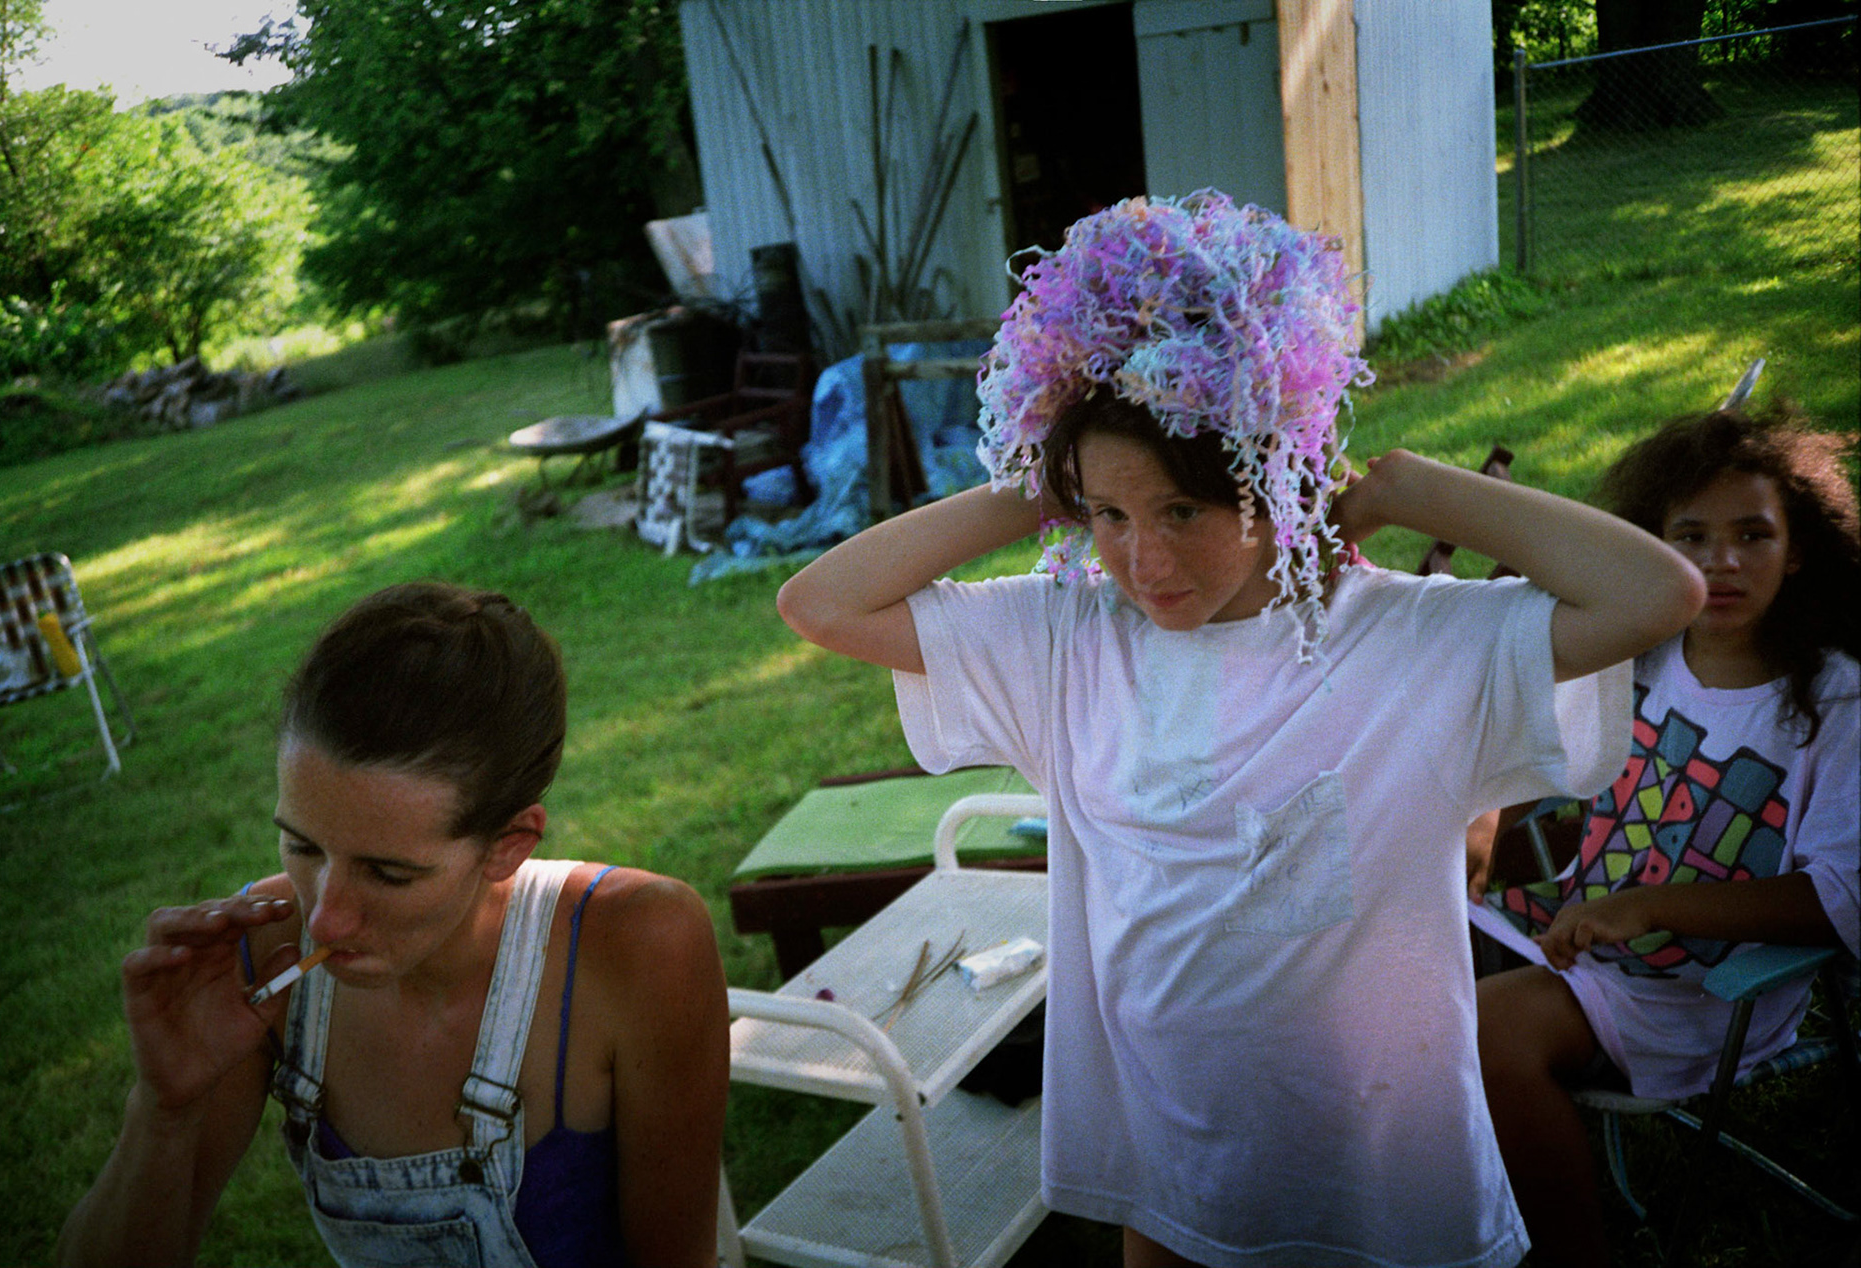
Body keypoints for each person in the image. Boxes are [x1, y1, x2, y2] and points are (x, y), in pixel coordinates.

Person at [775, 190, 1705, 1268]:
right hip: (1169, 1162)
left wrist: (1406, 487)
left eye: (1183, 511)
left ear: (1272, 480)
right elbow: (820, 604)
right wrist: (1040, 478)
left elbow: (1657, 593)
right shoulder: (1069, 639)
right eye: (1110, 517)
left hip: (1382, 1161)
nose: (1145, 563)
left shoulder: (1407, 642)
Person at [57, 582, 730, 1268]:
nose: (324, 915)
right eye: (303, 846)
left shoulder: (637, 945)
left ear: (508, 844)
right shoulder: (265, 948)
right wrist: (165, 1110)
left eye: (388, 874)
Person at [1472, 406, 1859, 1267]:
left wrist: (1650, 904)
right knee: (1371, 971)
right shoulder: (1635, 653)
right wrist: (1479, 817)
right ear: (1650, 549)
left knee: (1482, 1033)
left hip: (1701, 996)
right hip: (1561, 938)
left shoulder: (1836, 702)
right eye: (1689, 536)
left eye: (1752, 534)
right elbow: (1519, 745)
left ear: (1797, 550)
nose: (1720, 562)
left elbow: (1841, 899)